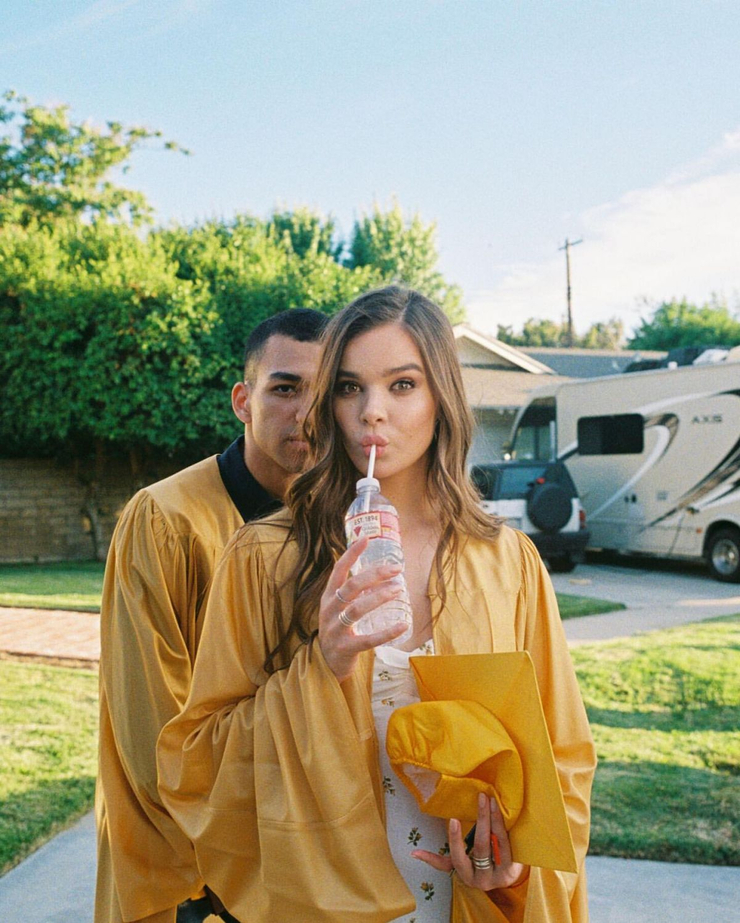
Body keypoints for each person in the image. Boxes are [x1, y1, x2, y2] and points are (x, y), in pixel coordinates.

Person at [157, 286, 596, 923]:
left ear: (442, 395)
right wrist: (321, 667)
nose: (371, 413)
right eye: (348, 387)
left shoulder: (507, 562)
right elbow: (197, 762)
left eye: (402, 385)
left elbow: (561, 755)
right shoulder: (261, 558)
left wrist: (518, 859)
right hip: (322, 901)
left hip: (468, 903)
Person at [95, 308, 327, 923]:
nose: (306, 412)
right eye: (285, 388)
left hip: (306, 866)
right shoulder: (167, 521)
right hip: (190, 875)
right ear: (242, 401)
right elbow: (152, 734)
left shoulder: (338, 527)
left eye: (326, 391)